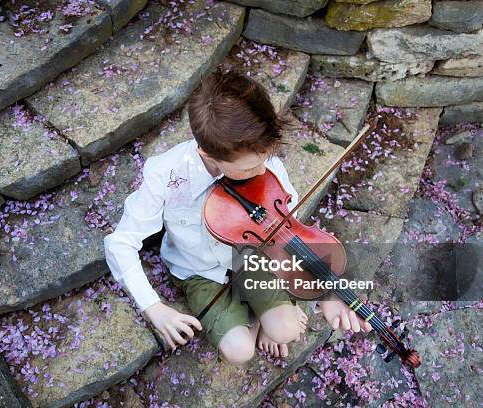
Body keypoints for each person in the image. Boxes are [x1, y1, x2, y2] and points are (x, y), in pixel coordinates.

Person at [104, 68, 372, 364]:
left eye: (265, 159)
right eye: (246, 169)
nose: (261, 173)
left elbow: (288, 236)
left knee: (286, 331)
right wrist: (154, 308)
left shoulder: (267, 171)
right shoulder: (164, 174)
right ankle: (257, 318)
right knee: (239, 351)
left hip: (253, 260)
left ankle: (266, 316)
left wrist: (325, 292)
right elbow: (121, 243)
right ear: (208, 155)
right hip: (199, 271)